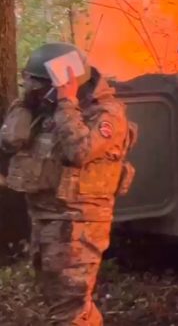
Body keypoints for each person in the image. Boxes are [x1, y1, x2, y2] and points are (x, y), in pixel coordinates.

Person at [0, 42, 136, 326]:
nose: (33, 89)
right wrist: (27, 104)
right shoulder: (44, 108)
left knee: (69, 309)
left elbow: (80, 151)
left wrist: (65, 102)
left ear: (65, 84)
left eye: (39, 85)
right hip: (46, 218)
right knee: (66, 304)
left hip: (78, 223)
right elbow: (9, 141)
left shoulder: (106, 114)